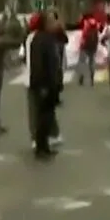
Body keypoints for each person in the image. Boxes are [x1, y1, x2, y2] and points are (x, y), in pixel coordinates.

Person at [28, 11, 61, 157]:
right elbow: (38, 64)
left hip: (51, 84)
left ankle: (45, 146)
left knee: (47, 118)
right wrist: (42, 85)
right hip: (44, 85)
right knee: (42, 118)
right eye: (52, 22)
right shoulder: (40, 39)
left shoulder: (49, 38)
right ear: (45, 24)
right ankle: (40, 148)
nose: (55, 24)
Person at [78, 13, 101, 86]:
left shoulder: (86, 23)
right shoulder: (96, 24)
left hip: (85, 46)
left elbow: (83, 34)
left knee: (82, 61)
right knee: (92, 62)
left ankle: (81, 76)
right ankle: (92, 79)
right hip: (93, 46)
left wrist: (81, 44)